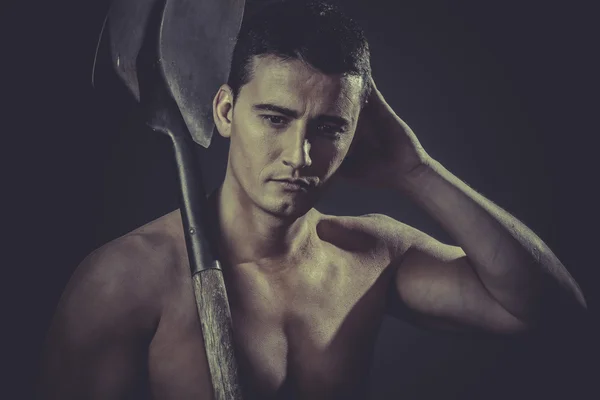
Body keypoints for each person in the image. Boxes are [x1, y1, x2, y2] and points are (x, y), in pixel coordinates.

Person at [38, 1, 587, 399]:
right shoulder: (125, 279)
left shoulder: (368, 256)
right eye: (275, 119)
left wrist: (418, 172)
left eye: (328, 128)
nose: (301, 154)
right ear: (225, 111)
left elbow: (551, 314)